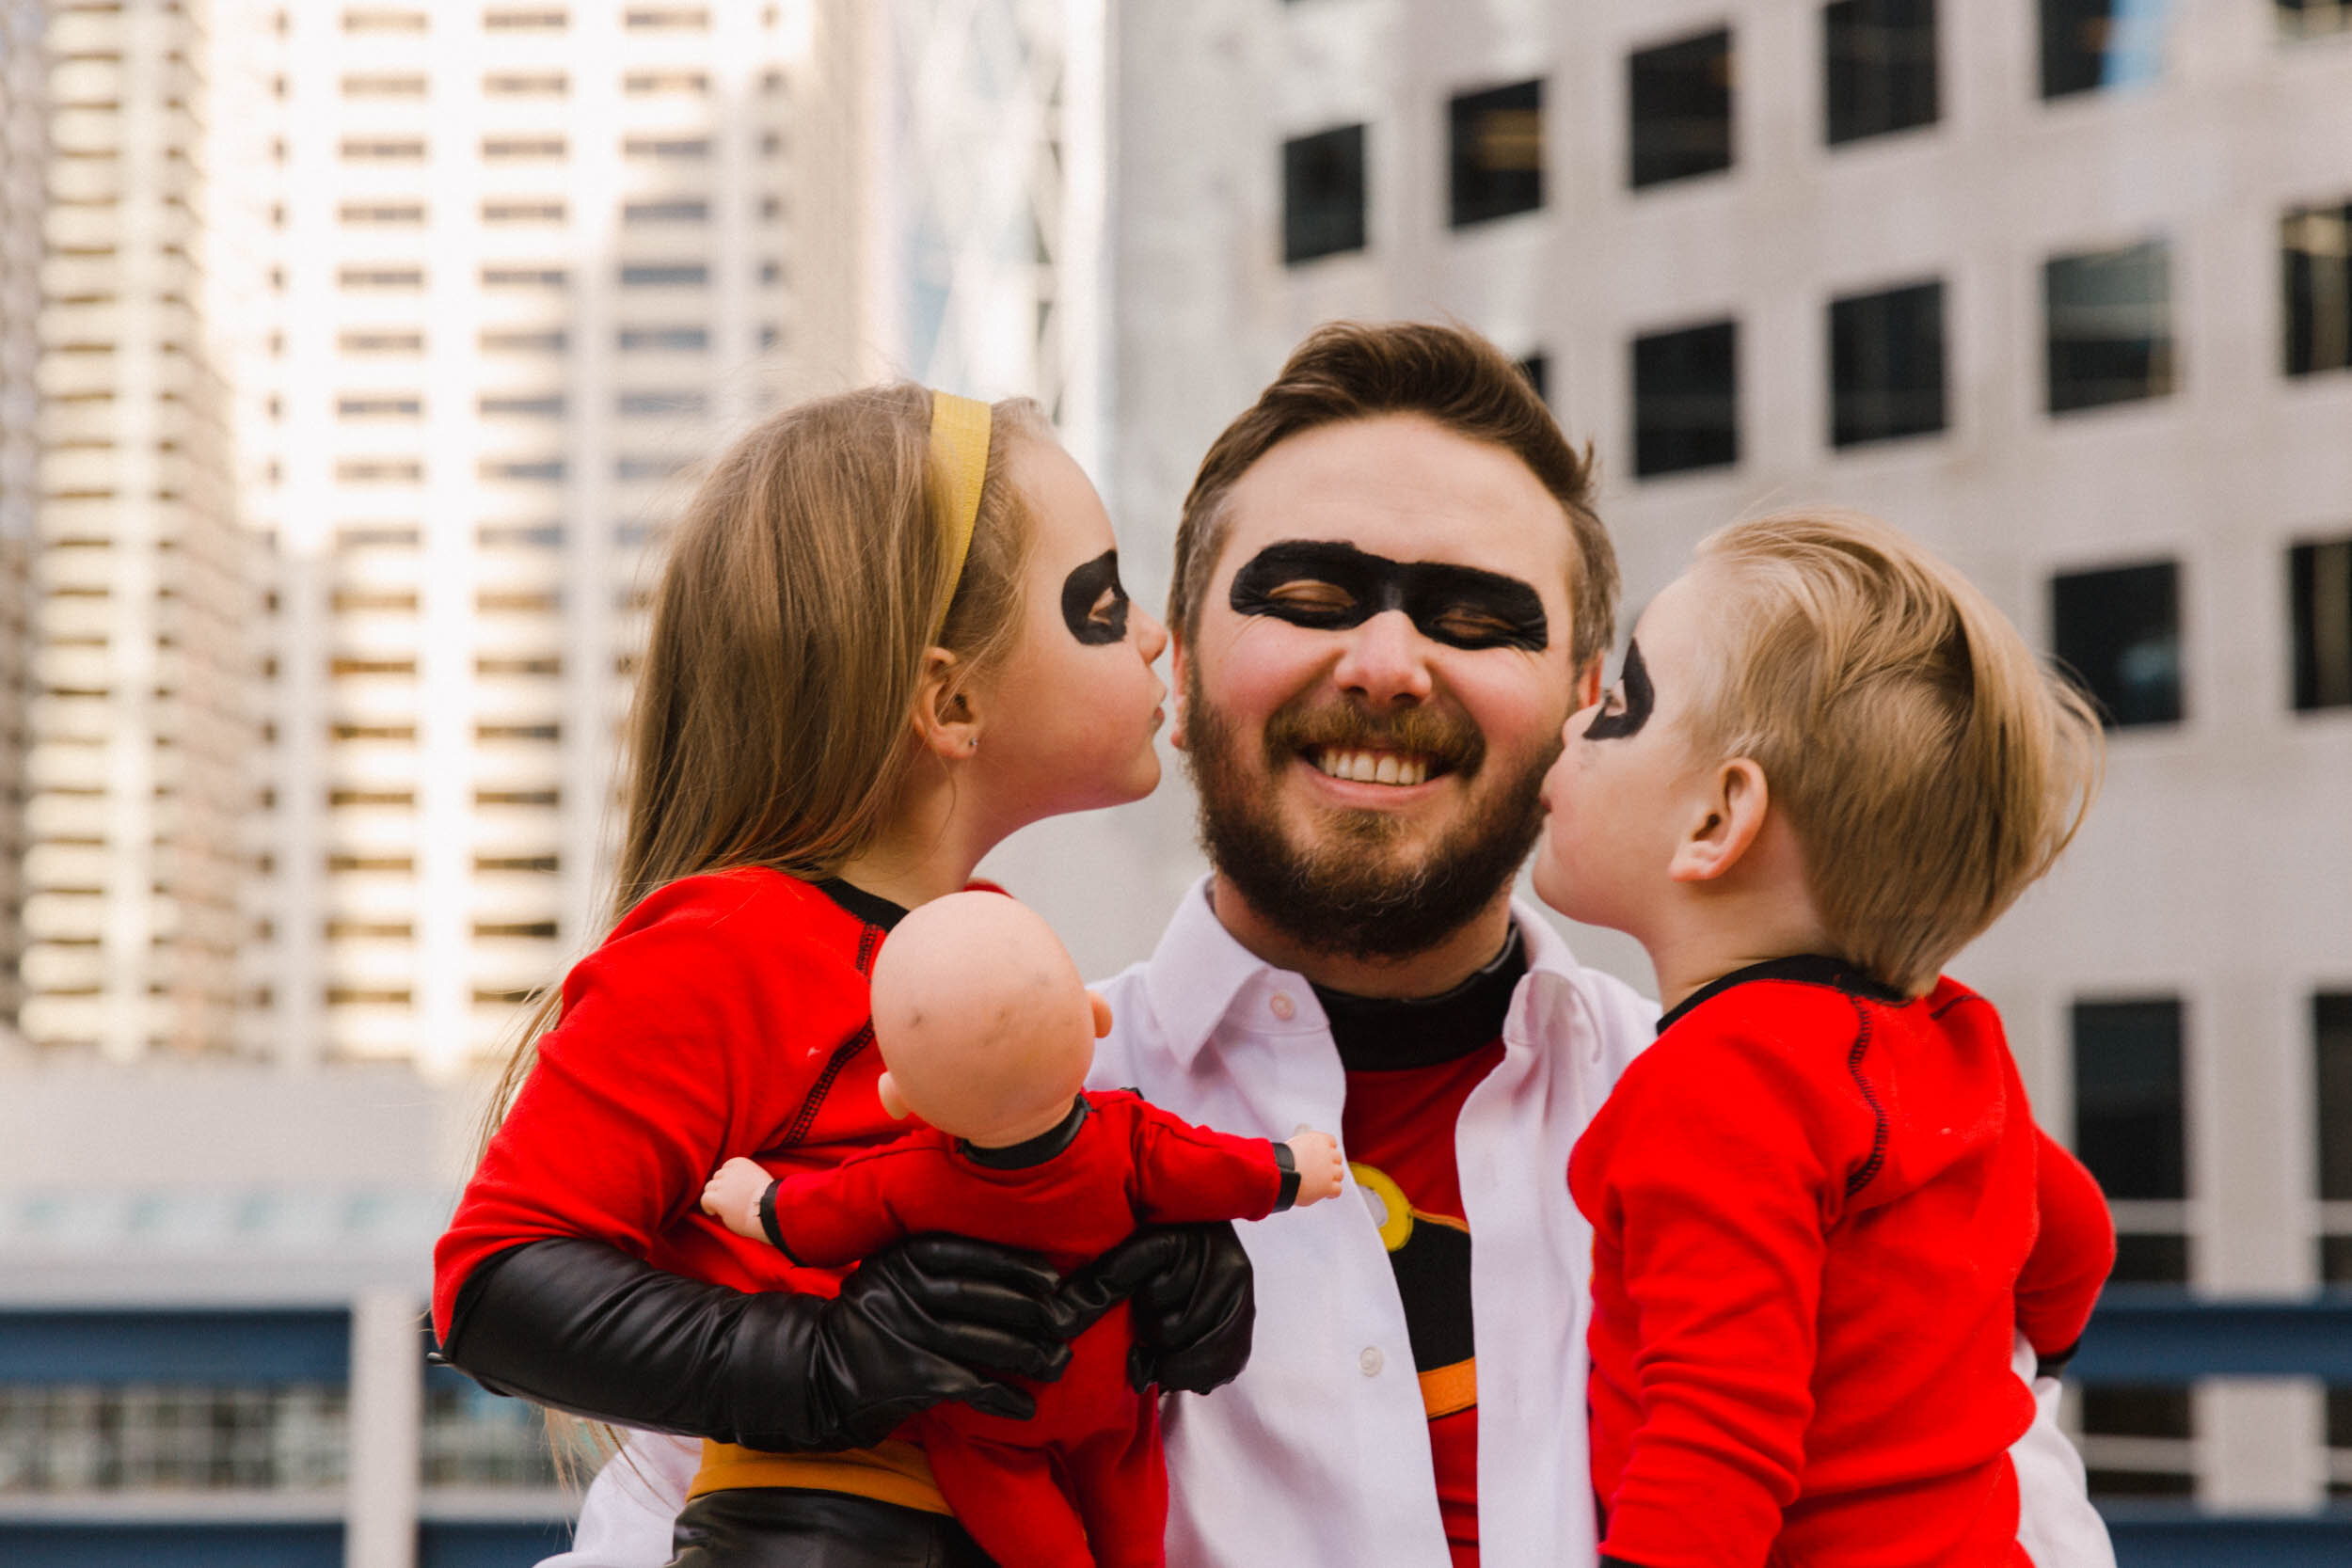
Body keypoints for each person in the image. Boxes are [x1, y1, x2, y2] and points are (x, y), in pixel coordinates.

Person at [550, 323, 2115, 1568]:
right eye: (1306, 595)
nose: (1384, 662)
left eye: (1478, 617)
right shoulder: (943, 1107)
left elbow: (2006, 1514)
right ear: (1175, 663)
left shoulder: (1821, 1129)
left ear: (1587, 702)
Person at [430, 383, 1250, 1568]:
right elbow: (494, 1280)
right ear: (950, 700)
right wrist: (818, 1360)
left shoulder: (984, 931)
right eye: (1100, 601)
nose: (1153, 632)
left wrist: (1162, 1272)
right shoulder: (719, 944)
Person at [1534, 511, 2117, 1566]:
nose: (1575, 722)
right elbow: (2072, 1232)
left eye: (1620, 702)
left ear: (1717, 820)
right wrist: (2021, 1353)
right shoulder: (1950, 1036)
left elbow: (1715, 1440)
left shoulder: (1714, 1086)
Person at [701, 890, 1346, 1568]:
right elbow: (1213, 1165)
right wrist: (1292, 1169)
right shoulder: (1128, 1138)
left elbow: (822, 1216)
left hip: (989, 1429)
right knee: (1134, 1532)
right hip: (1111, 1410)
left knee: (1038, 1546)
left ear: (900, 1097)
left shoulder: (912, 1173)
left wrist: (758, 1202)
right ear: (1093, 1018)